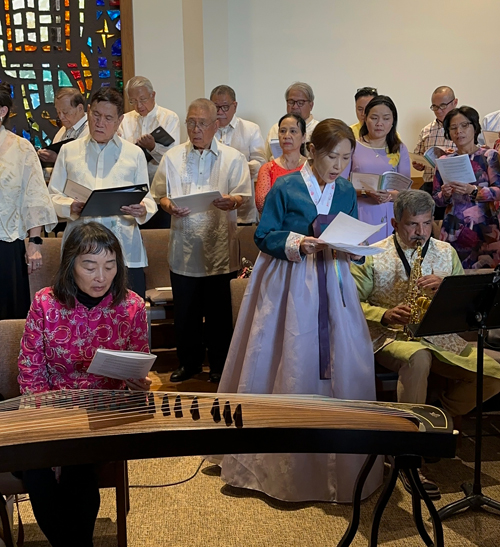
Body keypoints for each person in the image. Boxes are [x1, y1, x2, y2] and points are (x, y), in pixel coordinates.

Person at [218, 119, 382, 503]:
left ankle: (342, 462)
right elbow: (263, 234)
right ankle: (276, 466)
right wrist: (297, 243)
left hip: (333, 276)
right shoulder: (286, 185)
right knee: (288, 354)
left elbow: (348, 229)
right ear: (313, 151)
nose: (339, 165)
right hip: (290, 278)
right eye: (332, 156)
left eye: (346, 157)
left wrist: (353, 245)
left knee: (343, 355)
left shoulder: (344, 189)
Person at [351, 190, 500, 497]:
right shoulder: (372, 254)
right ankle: (408, 456)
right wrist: (386, 314)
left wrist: (447, 287)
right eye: (411, 225)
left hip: (441, 337)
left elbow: (466, 308)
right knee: (418, 358)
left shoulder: (447, 252)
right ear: (394, 222)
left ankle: (435, 417)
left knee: (494, 373)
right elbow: (352, 301)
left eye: (425, 223)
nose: (420, 232)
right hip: (390, 336)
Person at [17, 221, 151, 547]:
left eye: (109, 266)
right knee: (35, 469)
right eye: (89, 266)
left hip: (103, 412)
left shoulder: (131, 306)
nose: (101, 277)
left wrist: (138, 383)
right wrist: (51, 417)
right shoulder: (45, 304)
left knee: (79, 466)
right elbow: (30, 372)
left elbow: (139, 364)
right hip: (49, 409)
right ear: (70, 265)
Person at [152, 99, 252, 383]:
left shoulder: (233, 158)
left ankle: (220, 365)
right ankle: (189, 363)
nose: (196, 129)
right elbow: (159, 193)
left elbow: (243, 194)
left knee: (220, 313)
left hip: (219, 247)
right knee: (186, 312)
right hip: (184, 247)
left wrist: (231, 201)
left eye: (202, 123)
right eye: (191, 122)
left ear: (216, 124)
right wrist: (168, 205)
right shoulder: (171, 157)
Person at [48, 87, 157, 298]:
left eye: (108, 118)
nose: (100, 123)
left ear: (120, 120)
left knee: (126, 318)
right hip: (80, 249)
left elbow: (148, 199)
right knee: (79, 319)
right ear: (88, 111)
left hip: (123, 247)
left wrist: (141, 209)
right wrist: (69, 206)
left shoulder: (133, 153)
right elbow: (52, 197)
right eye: (96, 115)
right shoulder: (69, 151)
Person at [0, 82, 57, 320]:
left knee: (7, 317)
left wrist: (34, 243)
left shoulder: (21, 148)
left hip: (6, 243)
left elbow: (35, 196)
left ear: (2, 111)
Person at [433, 106, 500, 269]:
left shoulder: (489, 156)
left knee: (486, 279)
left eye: (464, 126)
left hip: (485, 228)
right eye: (453, 128)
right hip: (453, 228)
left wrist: (475, 191)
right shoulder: (444, 160)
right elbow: (436, 199)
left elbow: (498, 191)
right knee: (453, 276)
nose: (459, 132)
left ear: (475, 127)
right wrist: (445, 194)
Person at [342, 95, 411, 244]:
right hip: (360, 211)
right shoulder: (353, 146)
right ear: (365, 119)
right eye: (374, 118)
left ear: (393, 121)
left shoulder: (399, 149)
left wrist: (389, 196)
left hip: (391, 215)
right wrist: (366, 192)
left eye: (386, 118)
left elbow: (406, 191)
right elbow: (340, 186)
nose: (380, 123)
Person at [119, 76, 180, 229]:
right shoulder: (124, 120)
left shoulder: (169, 118)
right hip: (133, 190)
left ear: (153, 95)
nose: (139, 106)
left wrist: (153, 148)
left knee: (160, 238)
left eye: (143, 99)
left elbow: (174, 157)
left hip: (161, 189)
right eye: (133, 101)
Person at [210, 84, 266, 224]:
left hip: (243, 210)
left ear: (234, 106)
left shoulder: (250, 129)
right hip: (212, 208)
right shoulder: (204, 129)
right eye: (216, 107)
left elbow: (261, 164)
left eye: (225, 107)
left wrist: (238, 166)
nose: (220, 112)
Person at [412, 86, 457, 220]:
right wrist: (418, 164)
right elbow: (418, 157)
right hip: (430, 185)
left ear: (455, 103)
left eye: (443, 105)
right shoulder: (426, 130)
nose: (439, 111)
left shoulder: (463, 128)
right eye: (435, 107)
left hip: (455, 187)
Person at [255, 113, 307, 213]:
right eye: (283, 131)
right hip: (276, 225)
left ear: (303, 137)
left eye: (293, 131)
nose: (287, 136)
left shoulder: (311, 167)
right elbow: (261, 204)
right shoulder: (268, 168)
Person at [37, 87, 89, 173]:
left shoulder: (91, 131)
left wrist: (56, 159)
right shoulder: (62, 130)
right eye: (58, 112)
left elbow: (87, 165)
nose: (61, 117)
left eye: (65, 112)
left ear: (80, 108)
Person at [265, 82, 319, 160]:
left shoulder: (318, 129)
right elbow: (266, 158)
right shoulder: (276, 128)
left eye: (300, 103)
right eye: (291, 102)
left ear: (311, 105)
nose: (295, 107)